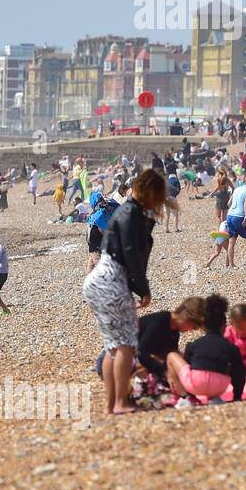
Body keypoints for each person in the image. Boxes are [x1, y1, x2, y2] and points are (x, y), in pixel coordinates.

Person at [82, 168, 166, 415]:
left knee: (113, 346)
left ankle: (112, 405)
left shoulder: (131, 212)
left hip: (100, 281)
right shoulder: (130, 213)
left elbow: (134, 248)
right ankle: (120, 402)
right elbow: (130, 252)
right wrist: (143, 288)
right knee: (126, 345)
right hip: (111, 281)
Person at [166, 295, 246, 403]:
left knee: (172, 356)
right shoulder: (230, 347)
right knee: (228, 366)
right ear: (224, 326)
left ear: (204, 327)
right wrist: (237, 397)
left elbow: (188, 366)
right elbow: (239, 372)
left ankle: (187, 399)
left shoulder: (194, 345)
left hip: (196, 384)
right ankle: (215, 398)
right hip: (220, 386)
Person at [135, 296, 206, 391]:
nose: (192, 330)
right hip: (128, 355)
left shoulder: (174, 330)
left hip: (142, 357)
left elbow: (170, 354)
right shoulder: (160, 321)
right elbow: (141, 352)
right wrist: (166, 372)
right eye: (194, 326)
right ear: (187, 318)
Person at [225, 175, 246, 267]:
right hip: (239, 216)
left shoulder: (237, 189)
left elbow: (229, 203)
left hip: (230, 215)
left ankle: (231, 263)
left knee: (232, 241)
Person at [164, 169, 181, 233]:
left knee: (167, 214)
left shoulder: (166, 181)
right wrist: (174, 194)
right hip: (172, 198)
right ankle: (176, 228)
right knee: (175, 214)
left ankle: (166, 229)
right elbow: (178, 190)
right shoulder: (176, 180)